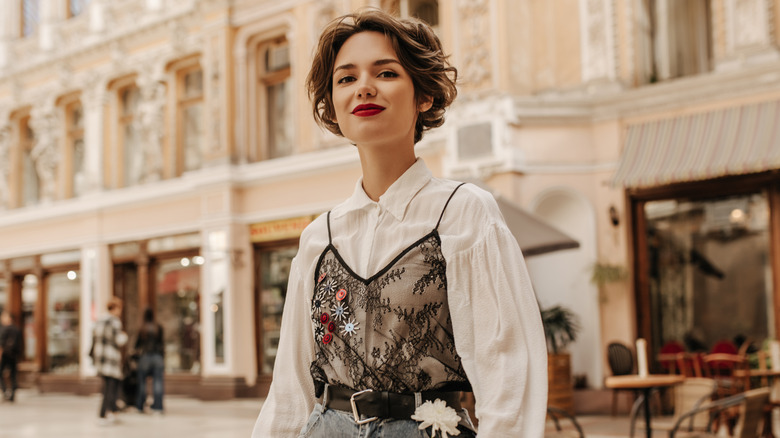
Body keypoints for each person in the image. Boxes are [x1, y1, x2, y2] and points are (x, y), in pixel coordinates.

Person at [252, 8, 547, 437]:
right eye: (346, 78)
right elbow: (290, 388)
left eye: (386, 73)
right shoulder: (319, 237)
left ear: (423, 96)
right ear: (333, 105)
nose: (364, 88)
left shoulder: (463, 212)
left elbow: (506, 370)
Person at [91, 297, 128, 425]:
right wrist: (124, 336)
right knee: (111, 386)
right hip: (110, 357)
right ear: (115, 308)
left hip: (101, 357)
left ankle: (107, 412)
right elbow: (119, 340)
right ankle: (108, 412)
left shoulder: (100, 320)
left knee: (106, 386)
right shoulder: (114, 321)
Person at [134, 307, 164, 414]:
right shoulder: (158, 327)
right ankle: (158, 407)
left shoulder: (142, 328)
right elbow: (162, 344)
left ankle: (140, 405)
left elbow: (137, 345)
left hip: (145, 357)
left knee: (142, 383)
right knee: (158, 382)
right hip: (157, 357)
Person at [0, 311, 23, 402]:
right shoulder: (17, 329)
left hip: (5, 355)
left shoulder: (4, 329)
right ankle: (12, 393)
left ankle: (5, 391)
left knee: (1, 373)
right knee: (13, 374)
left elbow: (1, 344)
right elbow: (21, 344)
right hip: (14, 355)